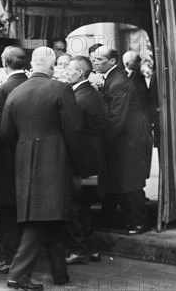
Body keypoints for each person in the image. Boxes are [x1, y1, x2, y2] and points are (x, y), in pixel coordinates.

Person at [0, 46, 83, 290]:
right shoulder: (60, 89)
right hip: (54, 160)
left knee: (49, 215)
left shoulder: (15, 92)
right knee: (43, 215)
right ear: (50, 65)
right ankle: (17, 275)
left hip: (24, 159)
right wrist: (79, 163)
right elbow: (74, 130)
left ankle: (60, 274)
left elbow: (5, 133)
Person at [93, 46, 152, 234]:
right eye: (94, 59)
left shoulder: (118, 81)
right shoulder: (114, 77)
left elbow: (116, 120)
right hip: (126, 137)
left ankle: (140, 222)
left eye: (100, 59)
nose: (95, 62)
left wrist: (103, 142)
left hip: (130, 139)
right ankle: (131, 220)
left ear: (112, 61)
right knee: (123, 180)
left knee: (130, 181)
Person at [0, 46, 28, 274]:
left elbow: (2, 130)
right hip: (27, 154)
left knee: (5, 211)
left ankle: (9, 256)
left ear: (5, 63)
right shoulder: (29, 83)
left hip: (7, 158)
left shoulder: (5, 88)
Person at [64, 56, 107, 265]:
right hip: (92, 160)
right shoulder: (91, 93)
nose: (66, 72)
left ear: (80, 73)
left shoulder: (79, 98)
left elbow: (74, 132)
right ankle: (91, 248)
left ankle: (78, 250)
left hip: (81, 161)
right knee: (84, 205)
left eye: (69, 69)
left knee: (75, 205)